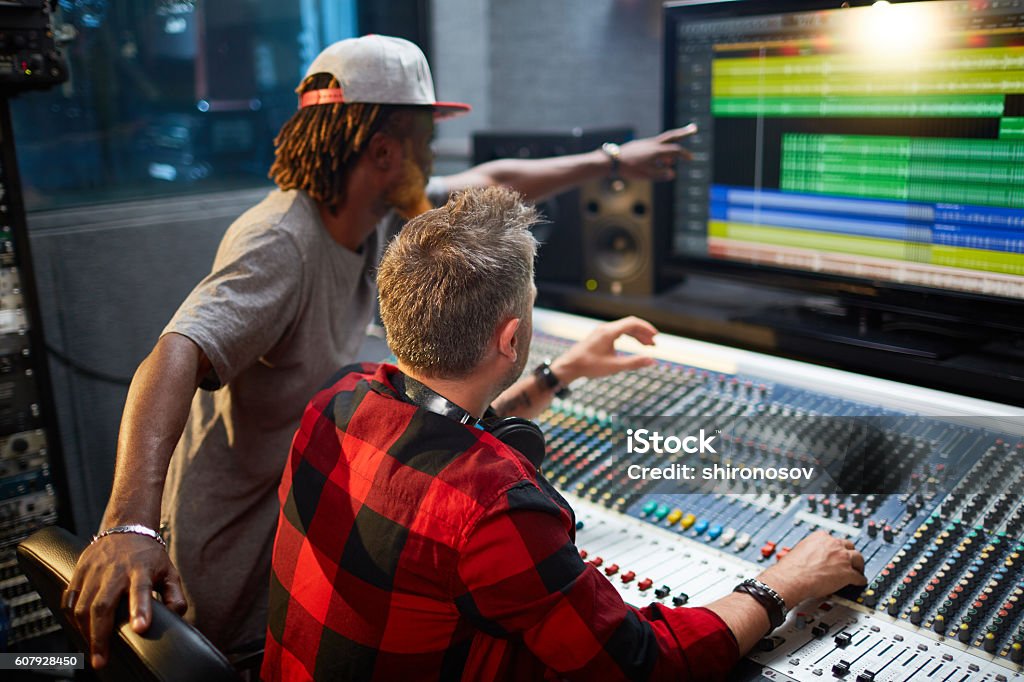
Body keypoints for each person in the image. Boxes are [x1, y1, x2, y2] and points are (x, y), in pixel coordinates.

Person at [62, 34, 699, 668]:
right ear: (386, 151)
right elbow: (173, 352)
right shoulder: (279, 240)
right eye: (426, 141)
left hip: (306, 536)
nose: (432, 157)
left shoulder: (371, 211)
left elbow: (492, 183)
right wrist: (129, 525)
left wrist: (613, 161)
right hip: (233, 573)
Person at [261, 187, 867, 681]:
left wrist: (560, 372)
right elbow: (643, 664)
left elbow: (439, 424)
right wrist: (782, 582)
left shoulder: (336, 400)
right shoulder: (495, 513)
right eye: (529, 302)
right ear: (510, 339)